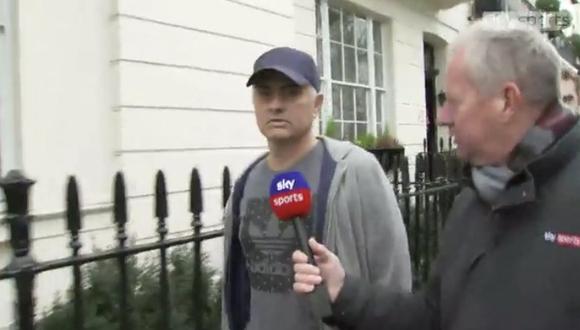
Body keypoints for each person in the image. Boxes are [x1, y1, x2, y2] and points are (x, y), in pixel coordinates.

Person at [292, 18, 580, 330]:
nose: (442, 118)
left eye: (453, 102)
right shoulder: (475, 197)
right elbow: (432, 316)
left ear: (506, 101)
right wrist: (343, 291)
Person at [221, 47, 412, 330]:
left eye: (290, 92)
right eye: (264, 93)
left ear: (317, 104)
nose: (275, 104)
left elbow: (393, 279)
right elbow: (235, 287)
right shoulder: (245, 182)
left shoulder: (354, 170)